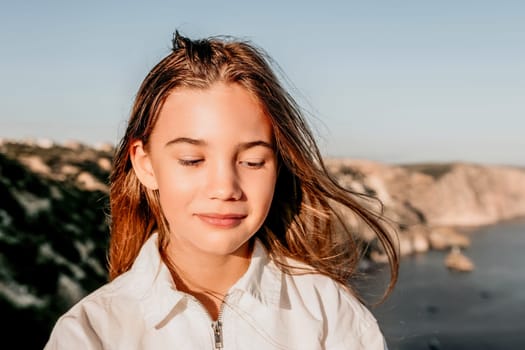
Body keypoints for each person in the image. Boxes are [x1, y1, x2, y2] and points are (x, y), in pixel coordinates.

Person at [44, 31, 399, 349]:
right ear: (145, 163)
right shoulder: (90, 334)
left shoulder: (329, 316)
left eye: (253, 161)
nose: (225, 188)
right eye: (191, 159)